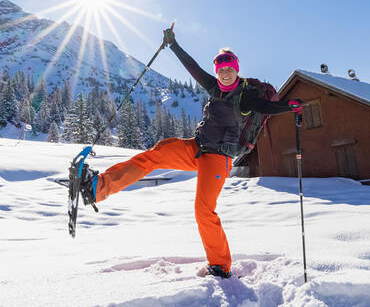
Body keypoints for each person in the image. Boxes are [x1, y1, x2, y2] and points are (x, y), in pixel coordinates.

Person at [76, 26, 303, 278]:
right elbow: (193, 68)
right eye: (221, 70)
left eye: (230, 69)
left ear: (236, 70)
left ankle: (219, 265)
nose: (225, 74)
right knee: (156, 153)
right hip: (197, 148)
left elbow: (265, 108)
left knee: (203, 210)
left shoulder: (245, 96)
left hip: (219, 158)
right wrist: (173, 45)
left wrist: (289, 107)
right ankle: (97, 188)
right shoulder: (215, 88)